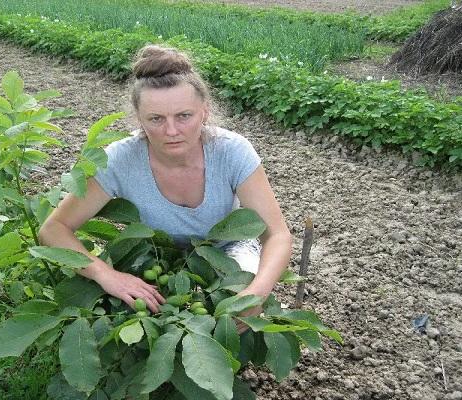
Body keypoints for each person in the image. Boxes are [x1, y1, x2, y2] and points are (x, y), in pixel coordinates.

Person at [38, 45, 292, 332]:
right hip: (153, 255)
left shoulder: (231, 152)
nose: (171, 131)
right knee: (125, 312)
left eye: (184, 116)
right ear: (139, 118)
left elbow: (278, 235)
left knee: (233, 309)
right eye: (156, 119)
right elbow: (53, 228)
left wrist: (257, 291)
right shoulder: (121, 159)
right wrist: (105, 274)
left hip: (226, 249)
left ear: (204, 112)